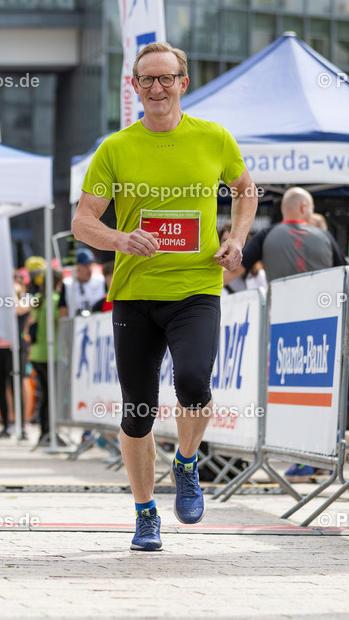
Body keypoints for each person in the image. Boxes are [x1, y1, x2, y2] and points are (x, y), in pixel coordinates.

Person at [72, 41, 258, 551]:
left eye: (166, 78)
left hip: (197, 287)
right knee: (137, 411)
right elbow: (82, 222)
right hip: (135, 294)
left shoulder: (213, 139)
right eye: (146, 80)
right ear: (134, 87)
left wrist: (236, 239)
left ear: (183, 82)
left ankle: (187, 461)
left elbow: (246, 191)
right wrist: (120, 238)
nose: (157, 88)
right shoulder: (115, 148)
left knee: (195, 381)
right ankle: (145, 511)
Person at [224, 187, 345, 286]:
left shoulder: (266, 235)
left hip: (280, 309)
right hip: (321, 308)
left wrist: (207, 288)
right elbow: (345, 275)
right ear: (304, 207)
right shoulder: (325, 237)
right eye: (311, 208)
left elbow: (236, 269)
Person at [24, 263, 68, 447]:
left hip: (37, 353)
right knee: (53, 396)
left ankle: (44, 432)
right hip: (53, 352)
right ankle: (51, 432)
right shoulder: (57, 299)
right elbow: (64, 325)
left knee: (44, 394)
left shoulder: (38, 299)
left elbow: (29, 327)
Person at [69, 249, 106, 315]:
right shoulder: (67, 285)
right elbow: (63, 315)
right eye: (85, 265)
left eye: (91, 264)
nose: (89, 269)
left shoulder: (101, 281)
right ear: (77, 266)